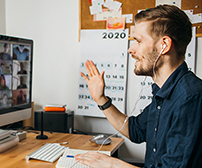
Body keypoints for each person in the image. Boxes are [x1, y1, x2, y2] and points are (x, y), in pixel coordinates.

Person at [76, 5, 202, 168]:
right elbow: (134, 130)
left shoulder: (190, 97)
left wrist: (112, 165)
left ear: (164, 44)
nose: (131, 49)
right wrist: (101, 99)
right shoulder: (164, 92)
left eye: (138, 41)